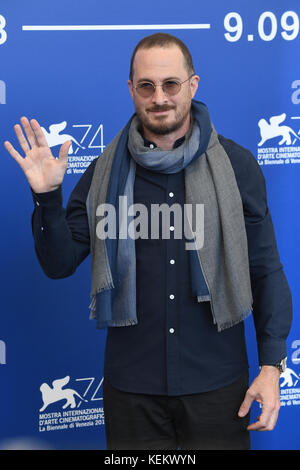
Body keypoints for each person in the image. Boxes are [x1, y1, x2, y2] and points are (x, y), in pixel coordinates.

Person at [4, 33, 292, 450]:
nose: (160, 98)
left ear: (192, 86)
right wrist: (47, 197)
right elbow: (59, 263)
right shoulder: (105, 171)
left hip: (217, 388)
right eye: (147, 86)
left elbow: (265, 269)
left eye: (171, 84)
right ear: (131, 90)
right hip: (132, 393)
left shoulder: (237, 166)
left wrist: (271, 367)